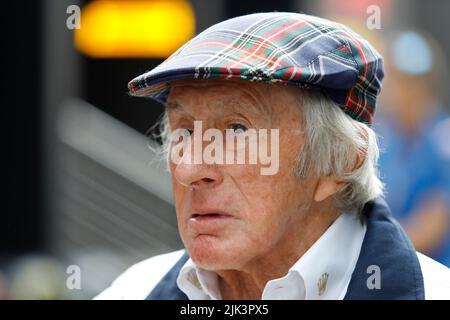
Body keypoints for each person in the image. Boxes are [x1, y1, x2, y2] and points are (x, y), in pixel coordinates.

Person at [95, 12, 450, 300]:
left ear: (341, 161)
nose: (189, 169)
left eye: (237, 131)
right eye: (184, 132)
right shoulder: (134, 291)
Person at [376, 31, 450, 266]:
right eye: (395, 80)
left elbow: (434, 224)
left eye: (409, 82)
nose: (398, 92)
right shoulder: (385, 140)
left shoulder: (443, 141)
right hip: (398, 269)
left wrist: (375, 249)